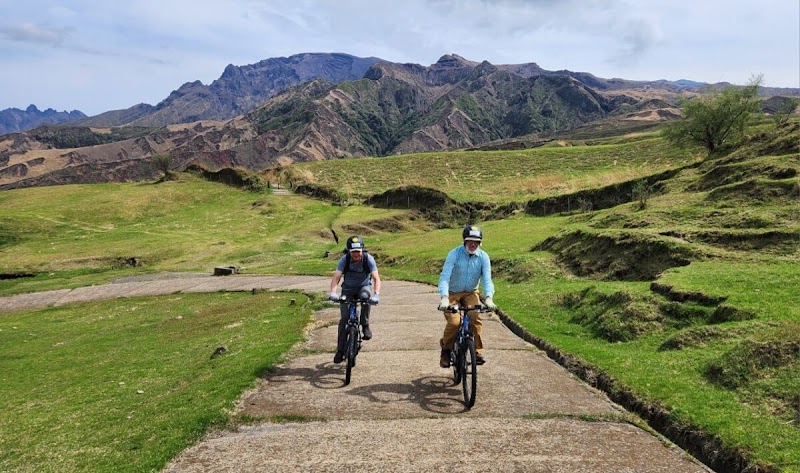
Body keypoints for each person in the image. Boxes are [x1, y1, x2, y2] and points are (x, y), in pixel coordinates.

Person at [437, 224, 497, 368]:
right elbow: (445, 277)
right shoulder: (454, 254)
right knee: (454, 322)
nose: (472, 244)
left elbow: (487, 279)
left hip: (471, 292)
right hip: (452, 293)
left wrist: (488, 298)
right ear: (464, 241)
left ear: (480, 242)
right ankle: (446, 350)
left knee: (475, 317)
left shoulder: (483, 257)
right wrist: (444, 297)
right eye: (469, 241)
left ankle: (476, 351)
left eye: (476, 241)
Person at [329, 235, 381, 364]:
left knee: (365, 298)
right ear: (349, 251)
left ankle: (365, 325)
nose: (356, 254)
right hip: (348, 289)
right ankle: (340, 351)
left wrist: (376, 294)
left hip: (363, 287)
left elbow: (376, 278)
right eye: (354, 252)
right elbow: (336, 277)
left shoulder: (368, 259)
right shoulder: (344, 259)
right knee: (344, 320)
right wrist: (333, 292)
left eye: (358, 251)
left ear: (362, 250)